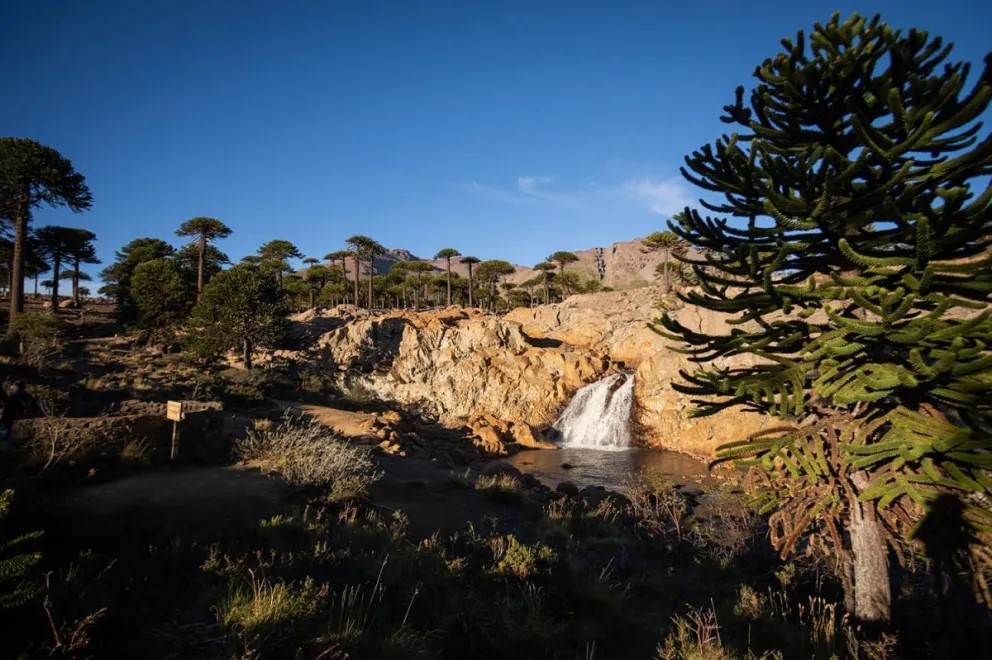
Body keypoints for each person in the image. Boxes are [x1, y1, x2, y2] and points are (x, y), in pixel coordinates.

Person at [0, 381, 37, 449]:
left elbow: (7, 411)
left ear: (17, 387)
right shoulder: (29, 397)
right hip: (25, 420)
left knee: (5, 437)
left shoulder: (12, 398)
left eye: (13, 387)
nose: (12, 388)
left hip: (10, 420)